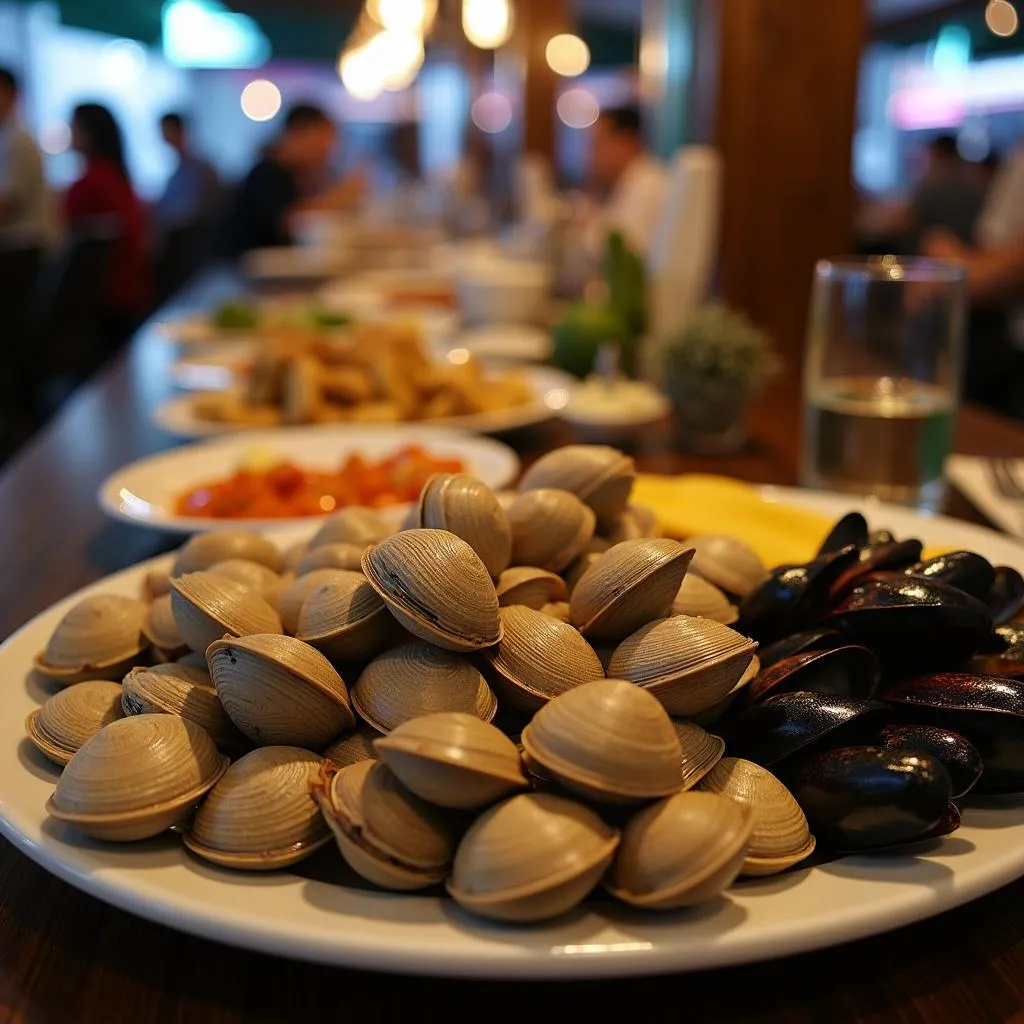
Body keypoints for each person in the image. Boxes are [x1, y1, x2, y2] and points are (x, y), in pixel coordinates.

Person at [221, 103, 364, 257]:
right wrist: (342, 196)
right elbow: (292, 223)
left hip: (269, 269)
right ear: (299, 133)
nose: (327, 153)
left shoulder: (292, 173)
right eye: (322, 142)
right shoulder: (267, 172)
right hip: (242, 274)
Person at [64, 102, 150, 346]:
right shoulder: (117, 176)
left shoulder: (92, 182)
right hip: (131, 291)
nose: (71, 132)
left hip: (106, 298)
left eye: (75, 126)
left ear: (91, 133)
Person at [586, 105, 667, 258]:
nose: (591, 155)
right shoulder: (630, 181)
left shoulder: (649, 185)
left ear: (627, 141)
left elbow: (618, 253)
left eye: (597, 144)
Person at [0, 67, 53, 253]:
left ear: (11, 95)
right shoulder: (11, 137)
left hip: (22, 248)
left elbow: (6, 207)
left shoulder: (15, 141)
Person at [908, 134, 986, 246]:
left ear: (938, 154)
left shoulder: (936, 184)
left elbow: (909, 218)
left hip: (940, 251)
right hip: (970, 247)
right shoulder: (972, 182)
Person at [154, 112, 219, 233]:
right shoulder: (180, 169)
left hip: (192, 237)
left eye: (166, 131)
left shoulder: (198, 168)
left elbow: (191, 210)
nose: (163, 137)